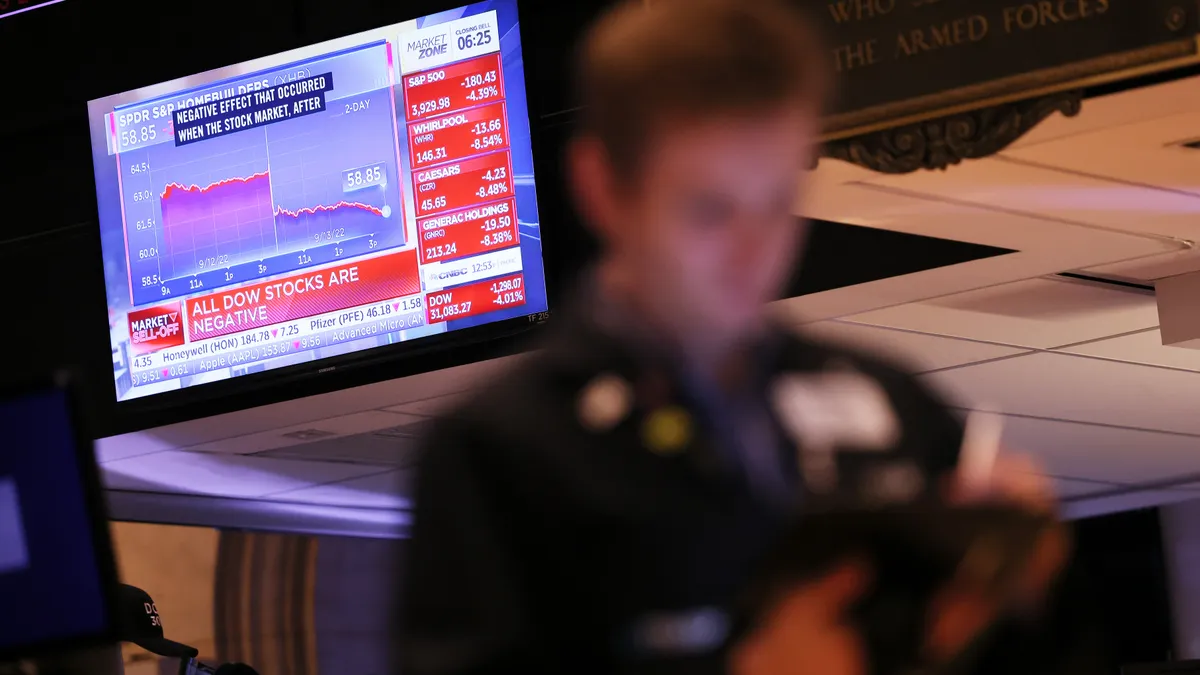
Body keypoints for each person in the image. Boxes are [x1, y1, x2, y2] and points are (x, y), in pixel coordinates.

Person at [398, 1, 1058, 673]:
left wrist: (1020, 590)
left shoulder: (891, 404)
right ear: (601, 188)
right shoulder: (505, 451)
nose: (755, 253)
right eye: (710, 210)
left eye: (776, 203)